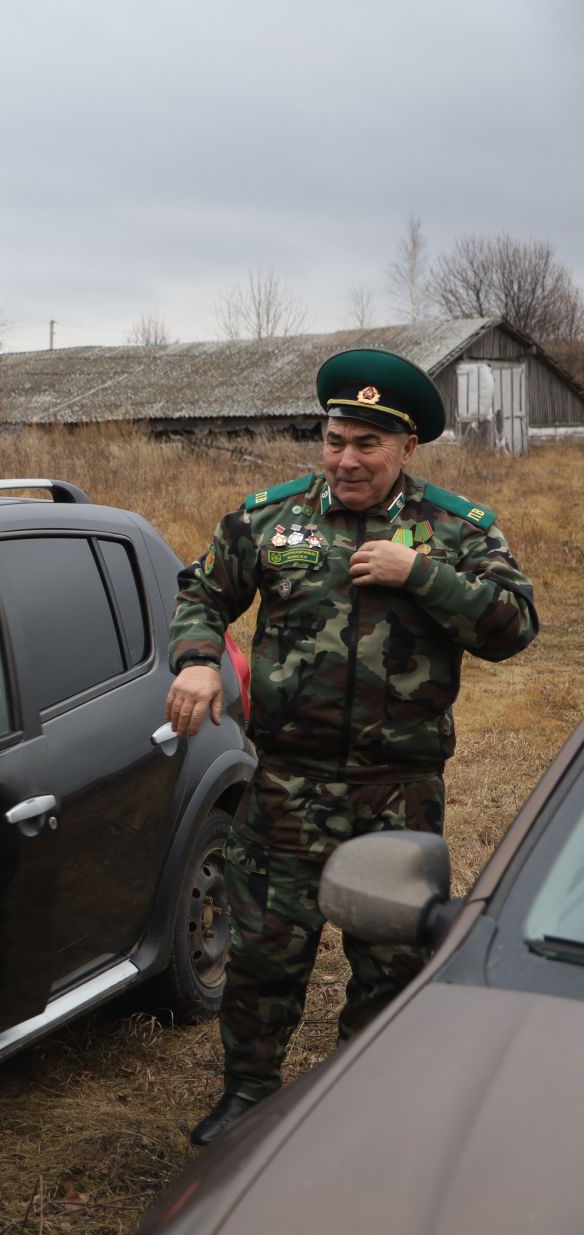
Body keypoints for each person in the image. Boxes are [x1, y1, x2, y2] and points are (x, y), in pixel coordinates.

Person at [166, 347, 537, 1146]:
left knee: (389, 959)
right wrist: (199, 660)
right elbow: (200, 591)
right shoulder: (273, 517)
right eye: (335, 440)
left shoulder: (454, 529)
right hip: (285, 786)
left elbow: (515, 629)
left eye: (367, 445)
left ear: (407, 449)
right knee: (265, 952)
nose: (346, 460)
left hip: (396, 790)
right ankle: (249, 1098)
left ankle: (365, 1105)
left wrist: (423, 575)